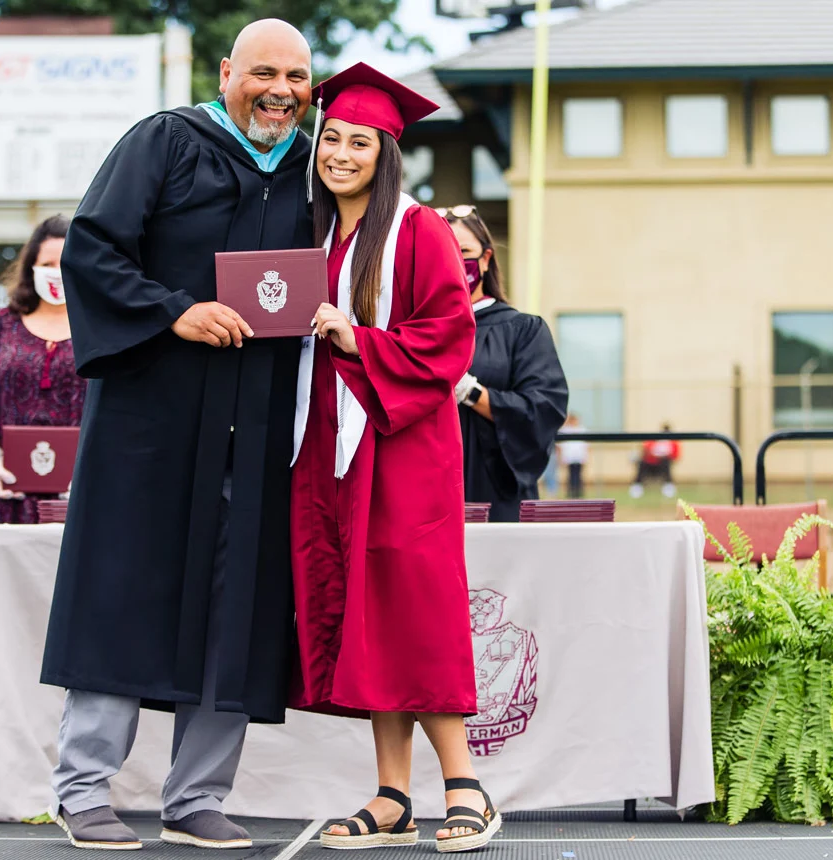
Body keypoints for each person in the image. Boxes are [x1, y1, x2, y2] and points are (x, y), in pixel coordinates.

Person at [39, 20, 314, 851]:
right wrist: (174, 312)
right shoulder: (166, 140)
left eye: (297, 77)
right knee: (121, 593)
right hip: (152, 424)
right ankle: (83, 788)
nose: (280, 90)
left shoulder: (312, 165)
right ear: (227, 71)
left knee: (236, 610)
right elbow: (93, 250)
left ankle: (196, 795)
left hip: (258, 427)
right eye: (263, 72)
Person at [289, 63, 500, 854]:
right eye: (331, 138)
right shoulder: (313, 234)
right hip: (330, 453)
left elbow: (450, 335)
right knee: (368, 617)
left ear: (386, 153)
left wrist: (357, 339)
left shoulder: (415, 230)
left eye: (358, 142)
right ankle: (390, 795)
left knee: (416, 609)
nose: (340, 153)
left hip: (403, 448)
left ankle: (466, 785)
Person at [442, 206, 568, 522]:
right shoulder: (412, 330)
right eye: (444, 252)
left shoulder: (522, 330)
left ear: (485, 259)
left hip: (496, 492)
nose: (455, 261)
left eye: (465, 252)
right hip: (429, 492)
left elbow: (543, 407)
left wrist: (471, 392)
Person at [0, 215, 84, 524]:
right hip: (10, 495)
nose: (56, 273)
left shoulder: (99, 328)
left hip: (84, 493)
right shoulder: (2, 324)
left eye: (65, 263)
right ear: (31, 268)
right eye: (47, 264)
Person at [630, 423, 680, 499]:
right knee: (641, 462)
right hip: (650, 464)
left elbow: (675, 456)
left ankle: (668, 486)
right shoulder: (654, 439)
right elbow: (645, 449)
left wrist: (665, 454)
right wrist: (651, 453)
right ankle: (637, 486)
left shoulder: (673, 443)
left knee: (666, 462)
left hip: (662, 466)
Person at [559, 412, 589, 499]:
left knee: (578, 475)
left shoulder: (582, 429)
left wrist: (586, 457)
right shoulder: (565, 430)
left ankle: (578, 492)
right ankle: (571, 492)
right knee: (571, 475)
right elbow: (561, 446)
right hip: (569, 457)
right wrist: (561, 457)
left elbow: (586, 445)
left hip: (579, 456)